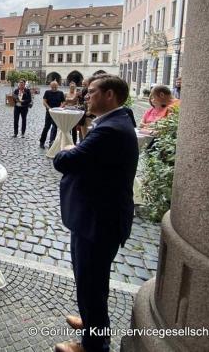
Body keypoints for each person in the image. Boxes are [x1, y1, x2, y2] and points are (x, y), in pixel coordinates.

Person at [52, 74, 138, 352]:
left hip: (98, 221)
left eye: (91, 92)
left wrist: (67, 148)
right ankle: (92, 321)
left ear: (109, 95)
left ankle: (94, 344)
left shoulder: (109, 130)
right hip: (97, 217)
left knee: (91, 284)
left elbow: (65, 161)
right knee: (91, 280)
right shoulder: (118, 121)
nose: (86, 96)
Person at [39, 81, 66, 149]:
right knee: (46, 127)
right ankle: (42, 142)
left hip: (57, 113)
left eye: (55, 87)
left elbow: (64, 102)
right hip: (49, 112)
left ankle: (51, 142)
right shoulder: (47, 92)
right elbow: (44, 101)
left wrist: (60, 107)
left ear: (57, 86)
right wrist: (49, 108)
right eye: (52, 86)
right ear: (50, 86)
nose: (54, 88)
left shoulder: (60, 93)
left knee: (54, 128)